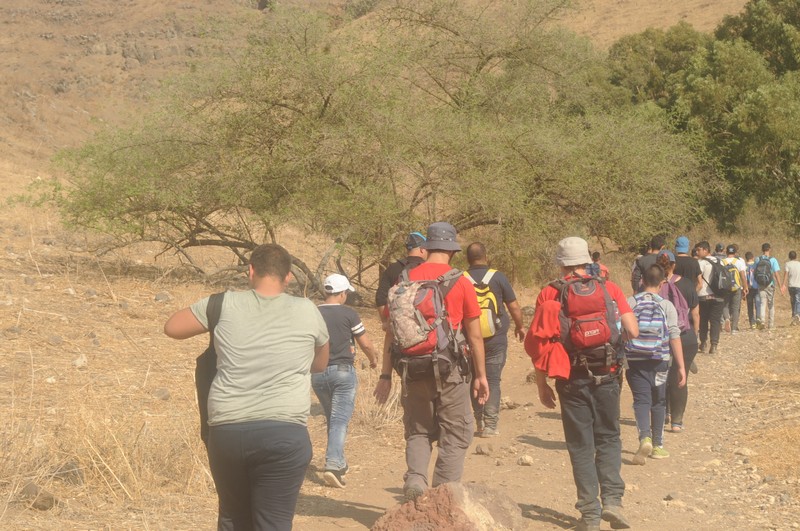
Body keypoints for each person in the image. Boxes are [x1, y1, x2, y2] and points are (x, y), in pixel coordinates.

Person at [164, 244, 330, 531]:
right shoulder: (307, 310)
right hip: (284, 433)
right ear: (288, 277)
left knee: (232, 519)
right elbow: (320, 365)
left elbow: (172, 328)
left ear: (251, 271)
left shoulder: (221, 304)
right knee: (274, 523)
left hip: (228, 431)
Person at [373, 222, 489, 502]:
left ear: (425, 249)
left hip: (411, 369)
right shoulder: (460, 281)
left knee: (418, 429)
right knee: (457, 430)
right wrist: (481, 376)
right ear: (453, 250)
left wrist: (386, 375)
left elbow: (391, 332)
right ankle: (442, 492)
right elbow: (475, 337)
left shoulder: (404, 282)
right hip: (450, 371)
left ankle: (415, 478)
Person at [529, 237, 638, 531]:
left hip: (571, 378)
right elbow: (632, 329)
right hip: (608, 373)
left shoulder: (549, 293)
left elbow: (541, 344)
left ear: (561, 263)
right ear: (587, 259)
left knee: (580, 445)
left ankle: (590, 515)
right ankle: (613, 501)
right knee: (609, 437)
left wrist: (542, 384)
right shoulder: (608, 288)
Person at [313, 274, 380, 488]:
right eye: (346, 293)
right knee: (340, 419)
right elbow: (366, 344)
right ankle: (332, 465)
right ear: (342, 294)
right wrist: (373, 359)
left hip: (317, 373)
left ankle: (340, 463)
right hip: (342, 371)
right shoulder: (349, 314)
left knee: (333, 418)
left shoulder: (313, 312)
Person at [625, 263, 686, 465]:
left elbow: (619, 332)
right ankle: (658, 445)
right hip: (660, 362)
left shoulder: (630, 302)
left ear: (642, 281)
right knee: (659, 401)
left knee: (641, 400)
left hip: (635, 362)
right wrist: (680, 366)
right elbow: (675, 336)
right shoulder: (666, 305)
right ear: (662, 283)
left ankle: (645, 437)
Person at [464, 242, 525, 437]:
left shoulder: (460, 279)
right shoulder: (498, 277)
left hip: (469, 340)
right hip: (496, 338)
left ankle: (479, 422)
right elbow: (514, 306)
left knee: (475, 378)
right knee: (492, 379)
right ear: (485, 256)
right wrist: (520, 326)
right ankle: (491, 425)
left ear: (467, 259)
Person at [657, 252, 699, 433]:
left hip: (660, 336)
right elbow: (695, 314)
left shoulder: (652, 284)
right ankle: (677, 421)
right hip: (685, 336)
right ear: (674, 265)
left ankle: (664, 412)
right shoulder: (688, 284)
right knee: (681, 378)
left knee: (662, 375)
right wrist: (694, 336)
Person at [375, 231, 427, 327]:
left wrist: (385, 322)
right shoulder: (428, 269)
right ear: (422, 249)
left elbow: (380, 297)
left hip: (398, 327)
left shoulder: (393, 268)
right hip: (424, 326)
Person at [695, 241, 725, 354]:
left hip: (703, 296)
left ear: (705, 250)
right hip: (718, 296)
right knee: (715, 321)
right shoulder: (719, 261)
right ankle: (714, 344)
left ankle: (703, 343)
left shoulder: (700, 263)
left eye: (699, 250)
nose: (697, 252)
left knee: (703, 320)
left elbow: (698, 281)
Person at [755, 243, 783, 330]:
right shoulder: (773, 260)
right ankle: (770, 325)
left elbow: (754, 272)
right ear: (769, 249)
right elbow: (776, 274)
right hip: (770, 284)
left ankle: (762, 321)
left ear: (762, 249)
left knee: (763, 302)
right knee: (771, 305)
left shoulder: (757, 259)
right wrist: (780, 286)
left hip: (761, 284)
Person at [721, 245, 748, 334]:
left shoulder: (722, 262)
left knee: (725, 305)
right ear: (735, 252)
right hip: (736, 287)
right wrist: (745, 287)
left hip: (725, 288)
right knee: (735, 308)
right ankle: (733, 329)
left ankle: (727, 318)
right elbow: (743, 276)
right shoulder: (739, 262)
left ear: (726, 252)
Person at [745, 252, 762, 329]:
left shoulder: (744, 266)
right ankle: (758, 317)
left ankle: (752, 323)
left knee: (750, 305)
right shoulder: (756, 265)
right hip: (757, 287)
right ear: (752, 257)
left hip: (748, 288)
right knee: (758, 303)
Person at [782, 251, 800, 325]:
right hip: (798, 285)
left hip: (791, 286)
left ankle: (794, 316)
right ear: (796, 256)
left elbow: (786, 275)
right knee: (798, 300)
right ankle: (797, 315)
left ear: (789, 257)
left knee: (793, 301)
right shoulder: (799, 264)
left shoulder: (787, 264)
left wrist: (783, 284)